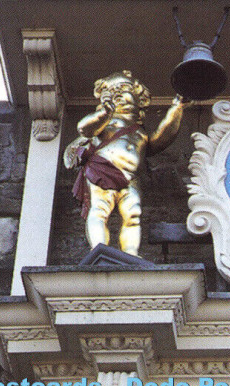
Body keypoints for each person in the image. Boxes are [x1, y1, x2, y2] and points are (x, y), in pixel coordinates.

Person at [64, 70, 188, 256]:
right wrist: (105, 113)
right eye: (112, 91)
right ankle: (99, 251)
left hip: (131, 178)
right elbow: (84, 128)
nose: (118, 94)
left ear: (140, 98)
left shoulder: (140, 132)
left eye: (124, 89)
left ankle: (131, 254)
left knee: (133, 214)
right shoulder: (107, 122)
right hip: (103, 169)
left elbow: (161, 138)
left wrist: (177, 108)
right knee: (99, 210)